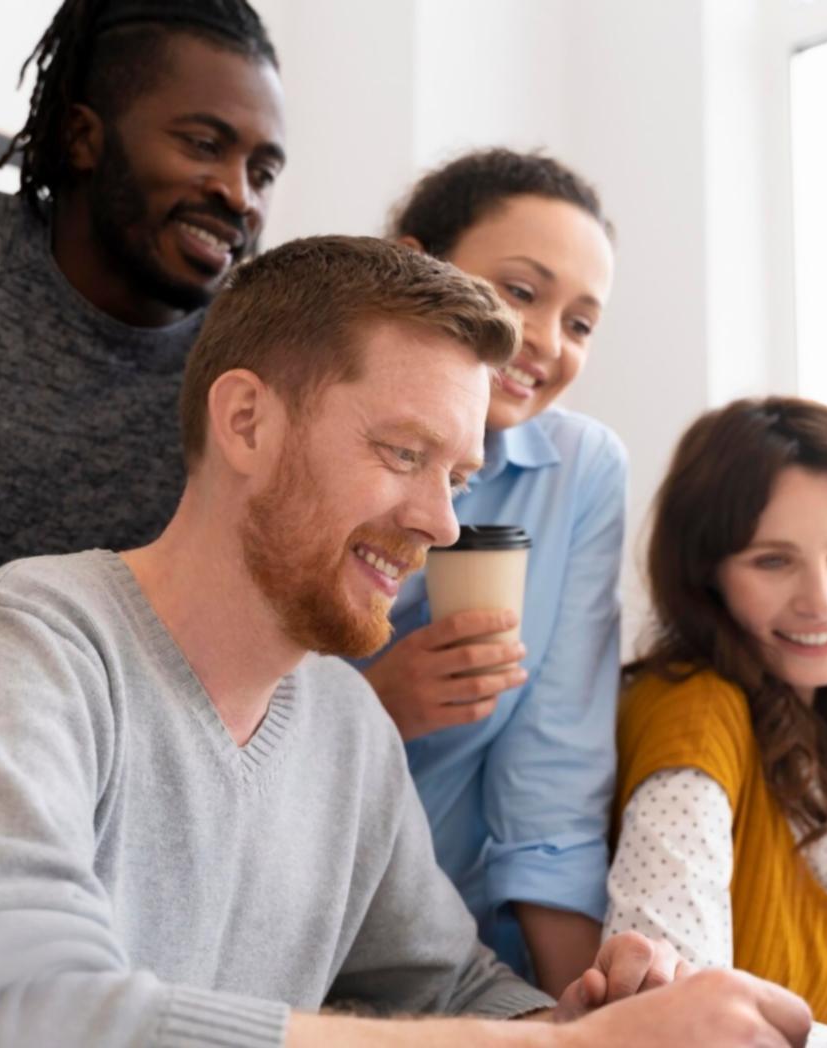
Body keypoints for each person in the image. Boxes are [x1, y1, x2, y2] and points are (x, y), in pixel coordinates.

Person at [0, 237, 812, 1047]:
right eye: (405, 454)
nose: (443, 524)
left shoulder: (346, 722)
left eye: (458, 478)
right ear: (247, 421)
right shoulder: (33, 645)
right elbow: (14, 1010)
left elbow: (453, 988)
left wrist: (582, 1021)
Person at [354, 149, 624, 993]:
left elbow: (555, 770)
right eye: (520, 290)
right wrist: (370, 707)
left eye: (580, 324)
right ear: (412, 265)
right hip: (299, 920)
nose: (546, 340)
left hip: (473, 954)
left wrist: (583, 1018)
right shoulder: (320, 429)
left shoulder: (579, 471)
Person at [605, 397, 827, 1044]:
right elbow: (679, 1026)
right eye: (773, 561)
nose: (821, 600)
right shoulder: (695, 714)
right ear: (706, 578)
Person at [0, 0, 287, 600]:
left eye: (263, 173)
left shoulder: (254, 372)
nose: (240, 195)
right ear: (81, 138)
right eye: (203, 144)